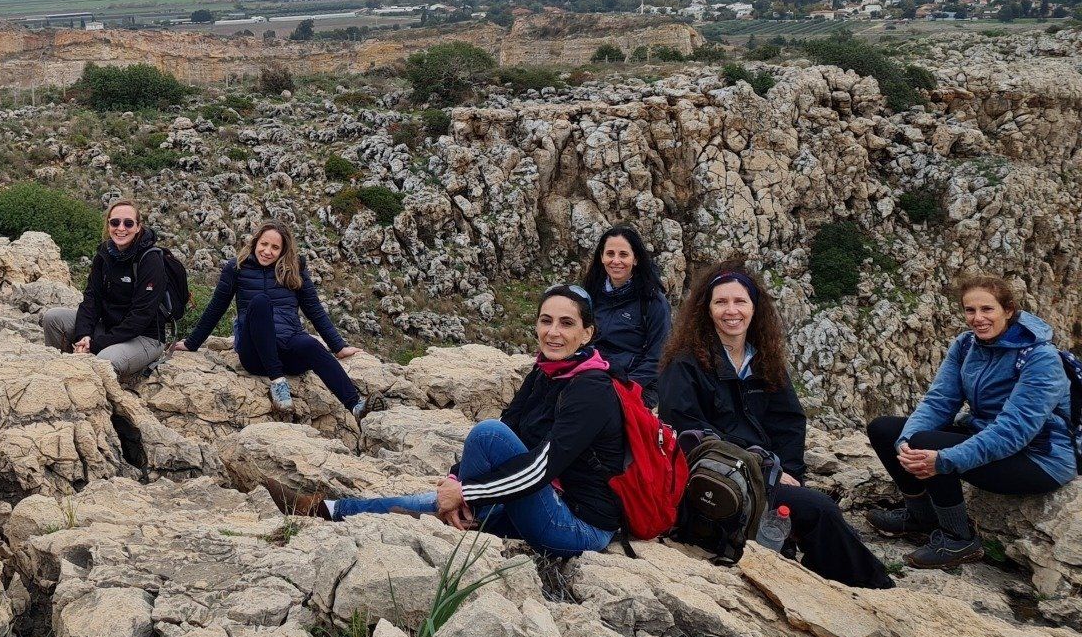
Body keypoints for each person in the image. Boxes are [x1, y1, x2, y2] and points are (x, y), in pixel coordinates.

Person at [263, 285, 620, 556]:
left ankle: (459, 507)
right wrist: (457, 479)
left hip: (575, 524)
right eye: (546, 321)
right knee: (438, 498)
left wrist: (465, 491)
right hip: (540, 500)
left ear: (587, 333)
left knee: (488, 436)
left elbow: (543, 465)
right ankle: (327, 509)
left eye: (566, 323)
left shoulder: (592, 389)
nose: (553, 332)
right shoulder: (546, 371)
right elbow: (514, 428)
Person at [658, 264, 891, 588]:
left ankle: (825, 576)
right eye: (721, 302)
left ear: (754, 308)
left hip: (766, 473)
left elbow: (789, 423)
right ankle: (879, 591)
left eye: (740, 301)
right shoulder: (685, 363)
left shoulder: (763, 360)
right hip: (719, 477)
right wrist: (762, 467)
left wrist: (788, 470)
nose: (731, 311)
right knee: (820, 510)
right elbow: (687, 430)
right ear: (706, 309)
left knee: (812, 508)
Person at [865, 274, 1076, 568]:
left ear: (1009, 310)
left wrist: (944, 459)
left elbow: (1012, 432)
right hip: (989, 436)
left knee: (927, 443)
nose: (978, 318)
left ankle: (958, 539)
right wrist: (904, 440)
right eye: (970, 310)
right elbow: (939, 401)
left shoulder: (1040, 358)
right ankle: (920, 515)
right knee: (885, 429)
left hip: (1039, 458)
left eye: (987, 309)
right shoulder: (966, 345)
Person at [174, 220, 367, 418]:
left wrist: (339, 346)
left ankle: (356, 406)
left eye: (275, 247)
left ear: (283, 250)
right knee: (260, 302)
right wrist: (192, 343)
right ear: (255, 242)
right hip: (254, 355)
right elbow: (216, 307)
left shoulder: (295, 269)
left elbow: (314, 309)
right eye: (264, 244)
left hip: (288, 350)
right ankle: (277, 383)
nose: (267, 251)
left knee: (310, 344)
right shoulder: (236, 267)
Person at [40, 198, 170, 380]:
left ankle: (87, 387)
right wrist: (83, 335)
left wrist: (95, 344)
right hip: (109, 328)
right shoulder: (105, 254)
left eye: (128, 223)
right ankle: (63, 372)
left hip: (143, 337)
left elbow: (140, 316)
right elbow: (91, 298)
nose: (121, 228)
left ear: (138, 227)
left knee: (103, 361)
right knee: (53, 318)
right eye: (115, 222)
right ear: (108, 224)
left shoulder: (150, 260)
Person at [583, 224, 671, 391]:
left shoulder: (653, 302)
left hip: (634, 383)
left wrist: (625, 387)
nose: (616, 261)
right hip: (591, 375)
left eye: (623, 254)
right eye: (610, 254)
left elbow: (658, 357)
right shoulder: (590, 294)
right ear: (601, 257)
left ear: (635, 259)